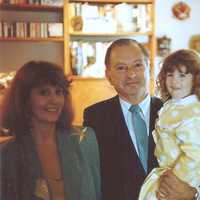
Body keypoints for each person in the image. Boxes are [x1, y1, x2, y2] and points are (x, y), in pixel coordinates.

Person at [83, 38, 197, 200]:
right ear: (108, 75)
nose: (131, 74)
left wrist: (194, 194)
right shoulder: (95, 116)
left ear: (149, 68)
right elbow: (90, 179)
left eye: (138, 65)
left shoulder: (177, 113)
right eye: (121, 68)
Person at [0, 61, 101, 200]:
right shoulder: (7, 154)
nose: (54, 100)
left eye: (58, 92)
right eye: (44, 92)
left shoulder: (84, 140)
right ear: (24, 99)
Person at [139, 49, 200, 200]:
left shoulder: (191, 112)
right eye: (170, 74)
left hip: (184, 178)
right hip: (167, 171)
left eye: (182, 75)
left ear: (196, 79)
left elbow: (195, 153)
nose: (174, 81)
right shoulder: (173, 105)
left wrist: (176, 179)